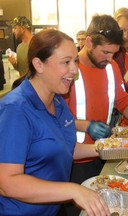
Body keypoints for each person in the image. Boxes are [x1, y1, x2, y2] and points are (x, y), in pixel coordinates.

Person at [0, 29, 110, 216]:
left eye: (75, 61)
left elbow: (63, 147)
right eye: (66, 62)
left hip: (54, 208)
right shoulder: (15, 110)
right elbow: (7, 183)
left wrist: (103, 148)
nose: (75, 70)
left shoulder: (57, 101)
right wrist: (73, 190)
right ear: (38, 64)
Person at [63, 13, 128, 197]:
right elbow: (55, 119)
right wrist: (86, 125)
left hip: (104, 152)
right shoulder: (69, 71)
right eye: (105, 52)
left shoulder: (111, 66)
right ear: (89, 42)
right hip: (74, 159)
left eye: (113, 53)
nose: (109, 58)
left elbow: (122, 100)